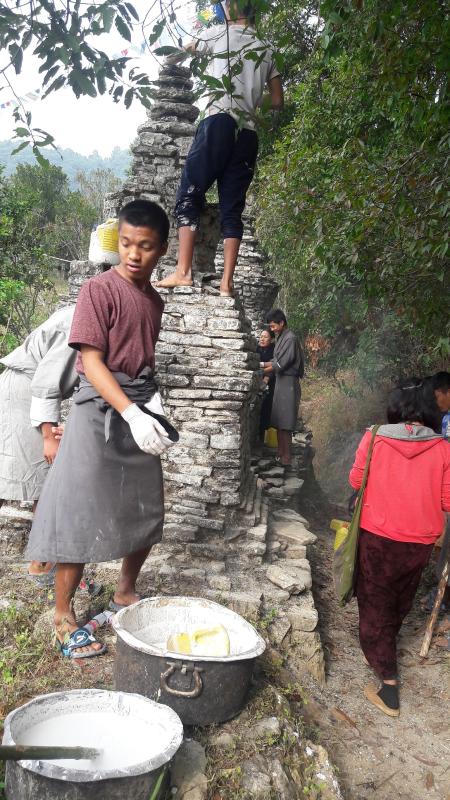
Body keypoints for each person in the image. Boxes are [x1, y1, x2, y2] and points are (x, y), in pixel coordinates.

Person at [25, 200, 175, 659]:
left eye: (145, 247)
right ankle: (63, 616)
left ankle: (125, 592)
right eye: (127, 244)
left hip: (137, 404)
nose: (134, 254)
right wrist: (130, 411)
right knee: (79, 512)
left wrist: (152, 406)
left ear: (161, 250)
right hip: (98, 412)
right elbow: (90, 360)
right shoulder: (98, 290)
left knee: (147, 507)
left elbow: (143, 358)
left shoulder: (155, 300)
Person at [156, 0, 284, 296]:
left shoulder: (218, 33)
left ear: (234, 8)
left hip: (218, 122)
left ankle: (183, 272)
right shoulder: (265, 46)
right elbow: (277, 100)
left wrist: (167, 58)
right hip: (247, 133)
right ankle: (227, 284)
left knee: (189, 193)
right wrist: (250, 100)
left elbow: (177, 55)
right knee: (232, 209)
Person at [349, 381, 450, 717]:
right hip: (418, 542)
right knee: (399, 598)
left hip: (378, 535)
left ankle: (388, 684)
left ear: (396, 411)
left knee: (374, 600)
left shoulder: (375, 436)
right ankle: (387, 641)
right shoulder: (443, 448)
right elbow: (447, 500)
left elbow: (355, 480)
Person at [0, 306, 76, 583]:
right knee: (45, 479)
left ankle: (42, 558)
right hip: (27, 390)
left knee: (45, 481)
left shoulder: (86, 314)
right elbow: (47, 383)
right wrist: (48, 436)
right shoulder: (78, 320)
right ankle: (41, 563)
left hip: (26, 389)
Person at [261, 309, 304, 466]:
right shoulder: (281, 337)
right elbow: (275, 359)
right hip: (281, 382)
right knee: (279, 420)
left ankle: (286, 457)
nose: (271, 330)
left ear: (282, 323)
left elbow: (280, 364)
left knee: (286, 422)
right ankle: (280, 453)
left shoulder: (290, 339)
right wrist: (260, 364)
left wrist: (261, 370)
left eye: (273, 326)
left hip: (288, 383)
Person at [256, 327, 275, 441]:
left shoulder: (274, 350)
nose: (262, 339)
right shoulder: (256, 349)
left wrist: (266, 379)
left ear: (271, 339)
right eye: (261, 336)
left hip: (271, 383)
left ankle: (265, 438)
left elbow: (274, 366)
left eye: (265, 337)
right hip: (257, 381)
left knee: (267, 408)